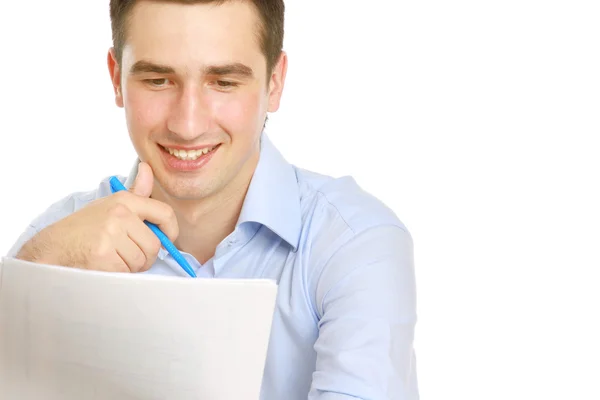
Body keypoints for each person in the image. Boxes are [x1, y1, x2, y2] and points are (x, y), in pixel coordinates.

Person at [6, 1, 419, 398]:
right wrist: (38, 269)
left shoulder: (355, 243)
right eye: (157, 80)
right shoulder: (53, 244)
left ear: (274, 82)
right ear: (116, 77)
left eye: (223, 82)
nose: (187, 125)